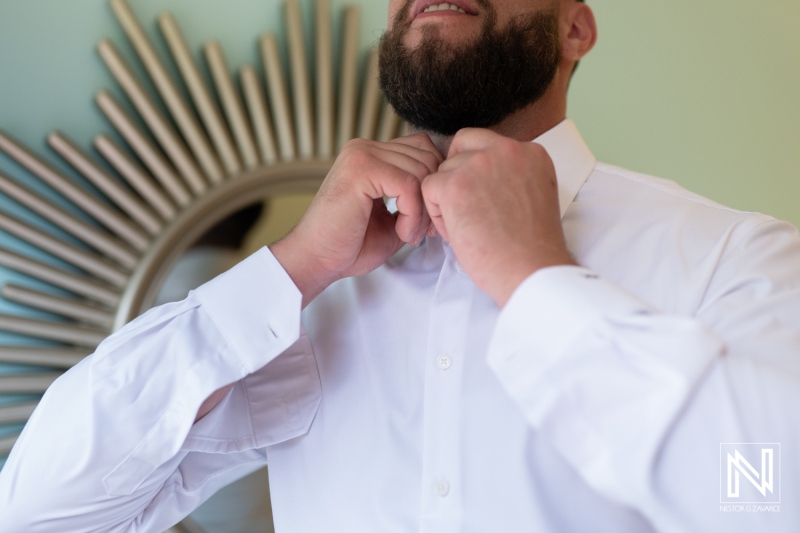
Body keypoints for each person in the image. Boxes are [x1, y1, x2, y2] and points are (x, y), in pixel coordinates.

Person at [1, 0, 799, 531]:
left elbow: (772, 494)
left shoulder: (735, 258)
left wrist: (539, 283)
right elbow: (40, 509)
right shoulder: (314, 301)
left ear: (576, 30)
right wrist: (290, 269)